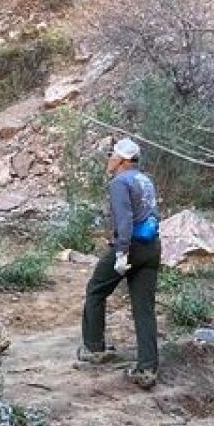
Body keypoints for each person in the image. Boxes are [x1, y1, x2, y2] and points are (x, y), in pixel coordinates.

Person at [78, 137, 163, 389]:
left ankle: (95, 348)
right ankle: (148, 367)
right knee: (143, 307)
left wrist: (121, 253)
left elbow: (125, 220)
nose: (109, 159)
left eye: (113, 156)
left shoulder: (119, 182)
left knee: (96, 290)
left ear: (124, 160)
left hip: (130, 246)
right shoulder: (145, 180)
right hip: (151, 246)